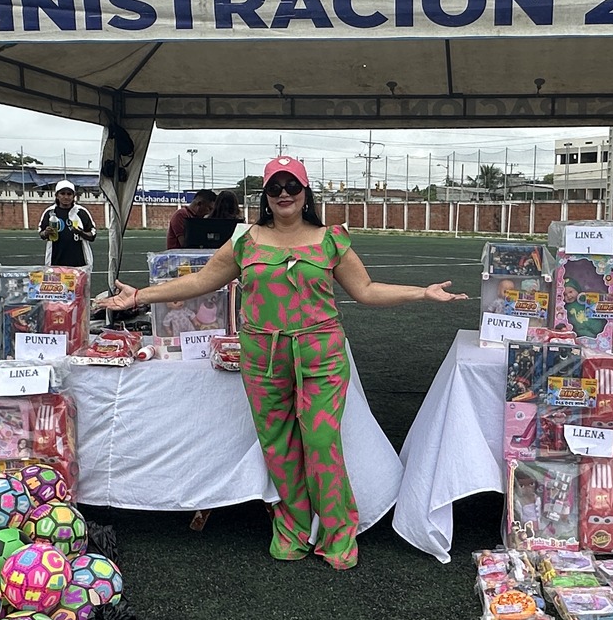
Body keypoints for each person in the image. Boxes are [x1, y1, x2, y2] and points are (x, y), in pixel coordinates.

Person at [97, 156, 466, 569]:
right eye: (275, 187)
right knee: (278, 446)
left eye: (293, 186)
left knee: (321, 443)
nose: (284, 193)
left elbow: (365, 289)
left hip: (321, 355)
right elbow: (201, 280)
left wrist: (421, 293)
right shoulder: (246, 240)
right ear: (266, 195)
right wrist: (140, 296)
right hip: (263, 357)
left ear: (306, 192)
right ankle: (291, 529)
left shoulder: (330, 240)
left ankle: (338, 533)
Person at [39, 183, 96, 269]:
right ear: (56, 195)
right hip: (55, 261)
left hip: (79, 263)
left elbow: (92, 236)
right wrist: (46, 233)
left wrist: (81, 232)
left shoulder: (81, 212)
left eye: (69, 194)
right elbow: (41, 234)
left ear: (74, 196)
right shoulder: (50, 212)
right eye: (62, 193)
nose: (66, 197)